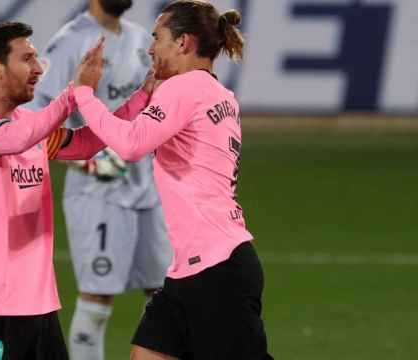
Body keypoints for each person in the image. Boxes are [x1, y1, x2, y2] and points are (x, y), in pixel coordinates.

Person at [72, 1, 274, 359]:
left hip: (216, 271)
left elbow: (132, 144)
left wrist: (84, 93)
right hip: (192, 267)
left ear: (183, 43)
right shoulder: (218, 94)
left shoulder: (185, 88)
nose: (151, 48)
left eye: (158, 37)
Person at [0, 22, 134, 360]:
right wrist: (74, 93)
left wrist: (144, 97)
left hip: (40, 308)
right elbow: (14, 140)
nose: (38, 68)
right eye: (27, 58)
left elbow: (86, 143)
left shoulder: (28, 123)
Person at [28, 2, 171, 358]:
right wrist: (82, 163)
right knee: (97, 297)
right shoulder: (69, 43)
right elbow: (32, 118)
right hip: (97, 193)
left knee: (166, 294)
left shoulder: (142, 38)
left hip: (149, 189)